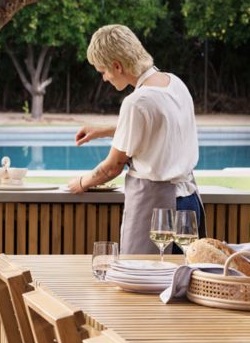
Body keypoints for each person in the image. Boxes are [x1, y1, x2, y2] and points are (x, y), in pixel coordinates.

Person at [67, 24, 205, 254]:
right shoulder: (175, 83)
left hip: (157, 211)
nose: (104, 79)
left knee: (146, 284)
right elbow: (159, 127)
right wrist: (103, 130)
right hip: (189, 204)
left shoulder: (136, 102)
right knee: (182, 282)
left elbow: (111, 168)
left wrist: (81, 183)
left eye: (103, 71)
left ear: (117, 66)